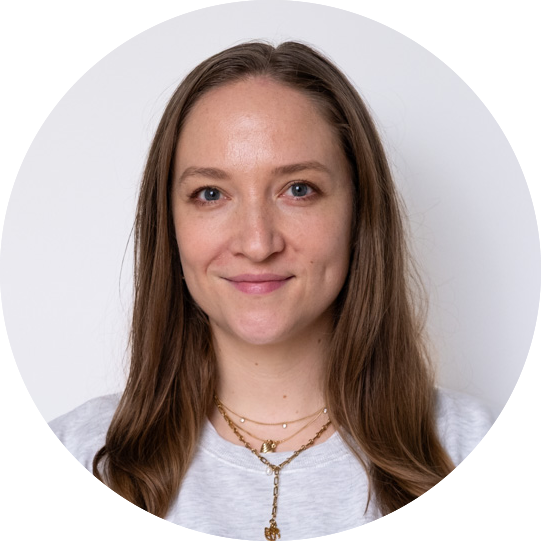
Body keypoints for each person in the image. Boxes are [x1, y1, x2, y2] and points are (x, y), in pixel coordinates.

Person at [48, 40, 492, 540]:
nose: (257, 243)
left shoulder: (486, 459)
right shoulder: (70, 460)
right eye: (211, 194)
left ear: (359, 212)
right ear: (168, 224)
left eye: (299, 189)